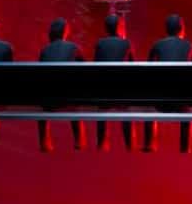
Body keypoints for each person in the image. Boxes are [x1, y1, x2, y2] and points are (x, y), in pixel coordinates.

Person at [145, 13, 192, 153]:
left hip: (160, 102)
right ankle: (185, 148)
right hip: (181, 103)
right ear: (181, 28)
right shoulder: (190, 46)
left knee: (150, 109)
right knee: (188, 112)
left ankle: (149, 144)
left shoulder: (156, 45)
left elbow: (146, 71)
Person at [38, 17, 85, 152]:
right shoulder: (74, 48)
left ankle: (44, 141)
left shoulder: (45, 50)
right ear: (65, 32)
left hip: (48, 102)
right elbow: (86, 69)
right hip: (69, 100)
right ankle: (79, 140)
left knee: (45, 103)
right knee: (73, 99)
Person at [93, 13, 135, 151]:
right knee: (126, 106)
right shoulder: (126, 43)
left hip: (103, 95)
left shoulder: (99, 44)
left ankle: (102, 142)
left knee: (102, 104)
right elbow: (134, 67)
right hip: (122, 95)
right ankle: (129, 143)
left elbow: (96, 66)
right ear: (119, 28)